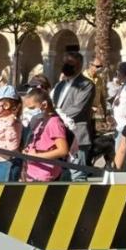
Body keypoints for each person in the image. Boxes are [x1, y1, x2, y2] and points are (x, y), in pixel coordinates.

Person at [51, 52, 96, 181]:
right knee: (58, 174)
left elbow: (77, 108)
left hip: (77, 134)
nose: (66, 66)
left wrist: (54, 116)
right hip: (59, 134)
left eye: (70, 63)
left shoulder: (86, 85)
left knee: (77, 174)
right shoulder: (60, 85)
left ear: (79, 65)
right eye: (65, 63)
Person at [22, 88, 70, 181]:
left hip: (44, 174)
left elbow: (63, 150)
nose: (28, 111)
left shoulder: (54, 122)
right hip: (33, 172)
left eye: (32, 108)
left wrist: (37, 157)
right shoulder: (40, 120)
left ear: (44, 105)